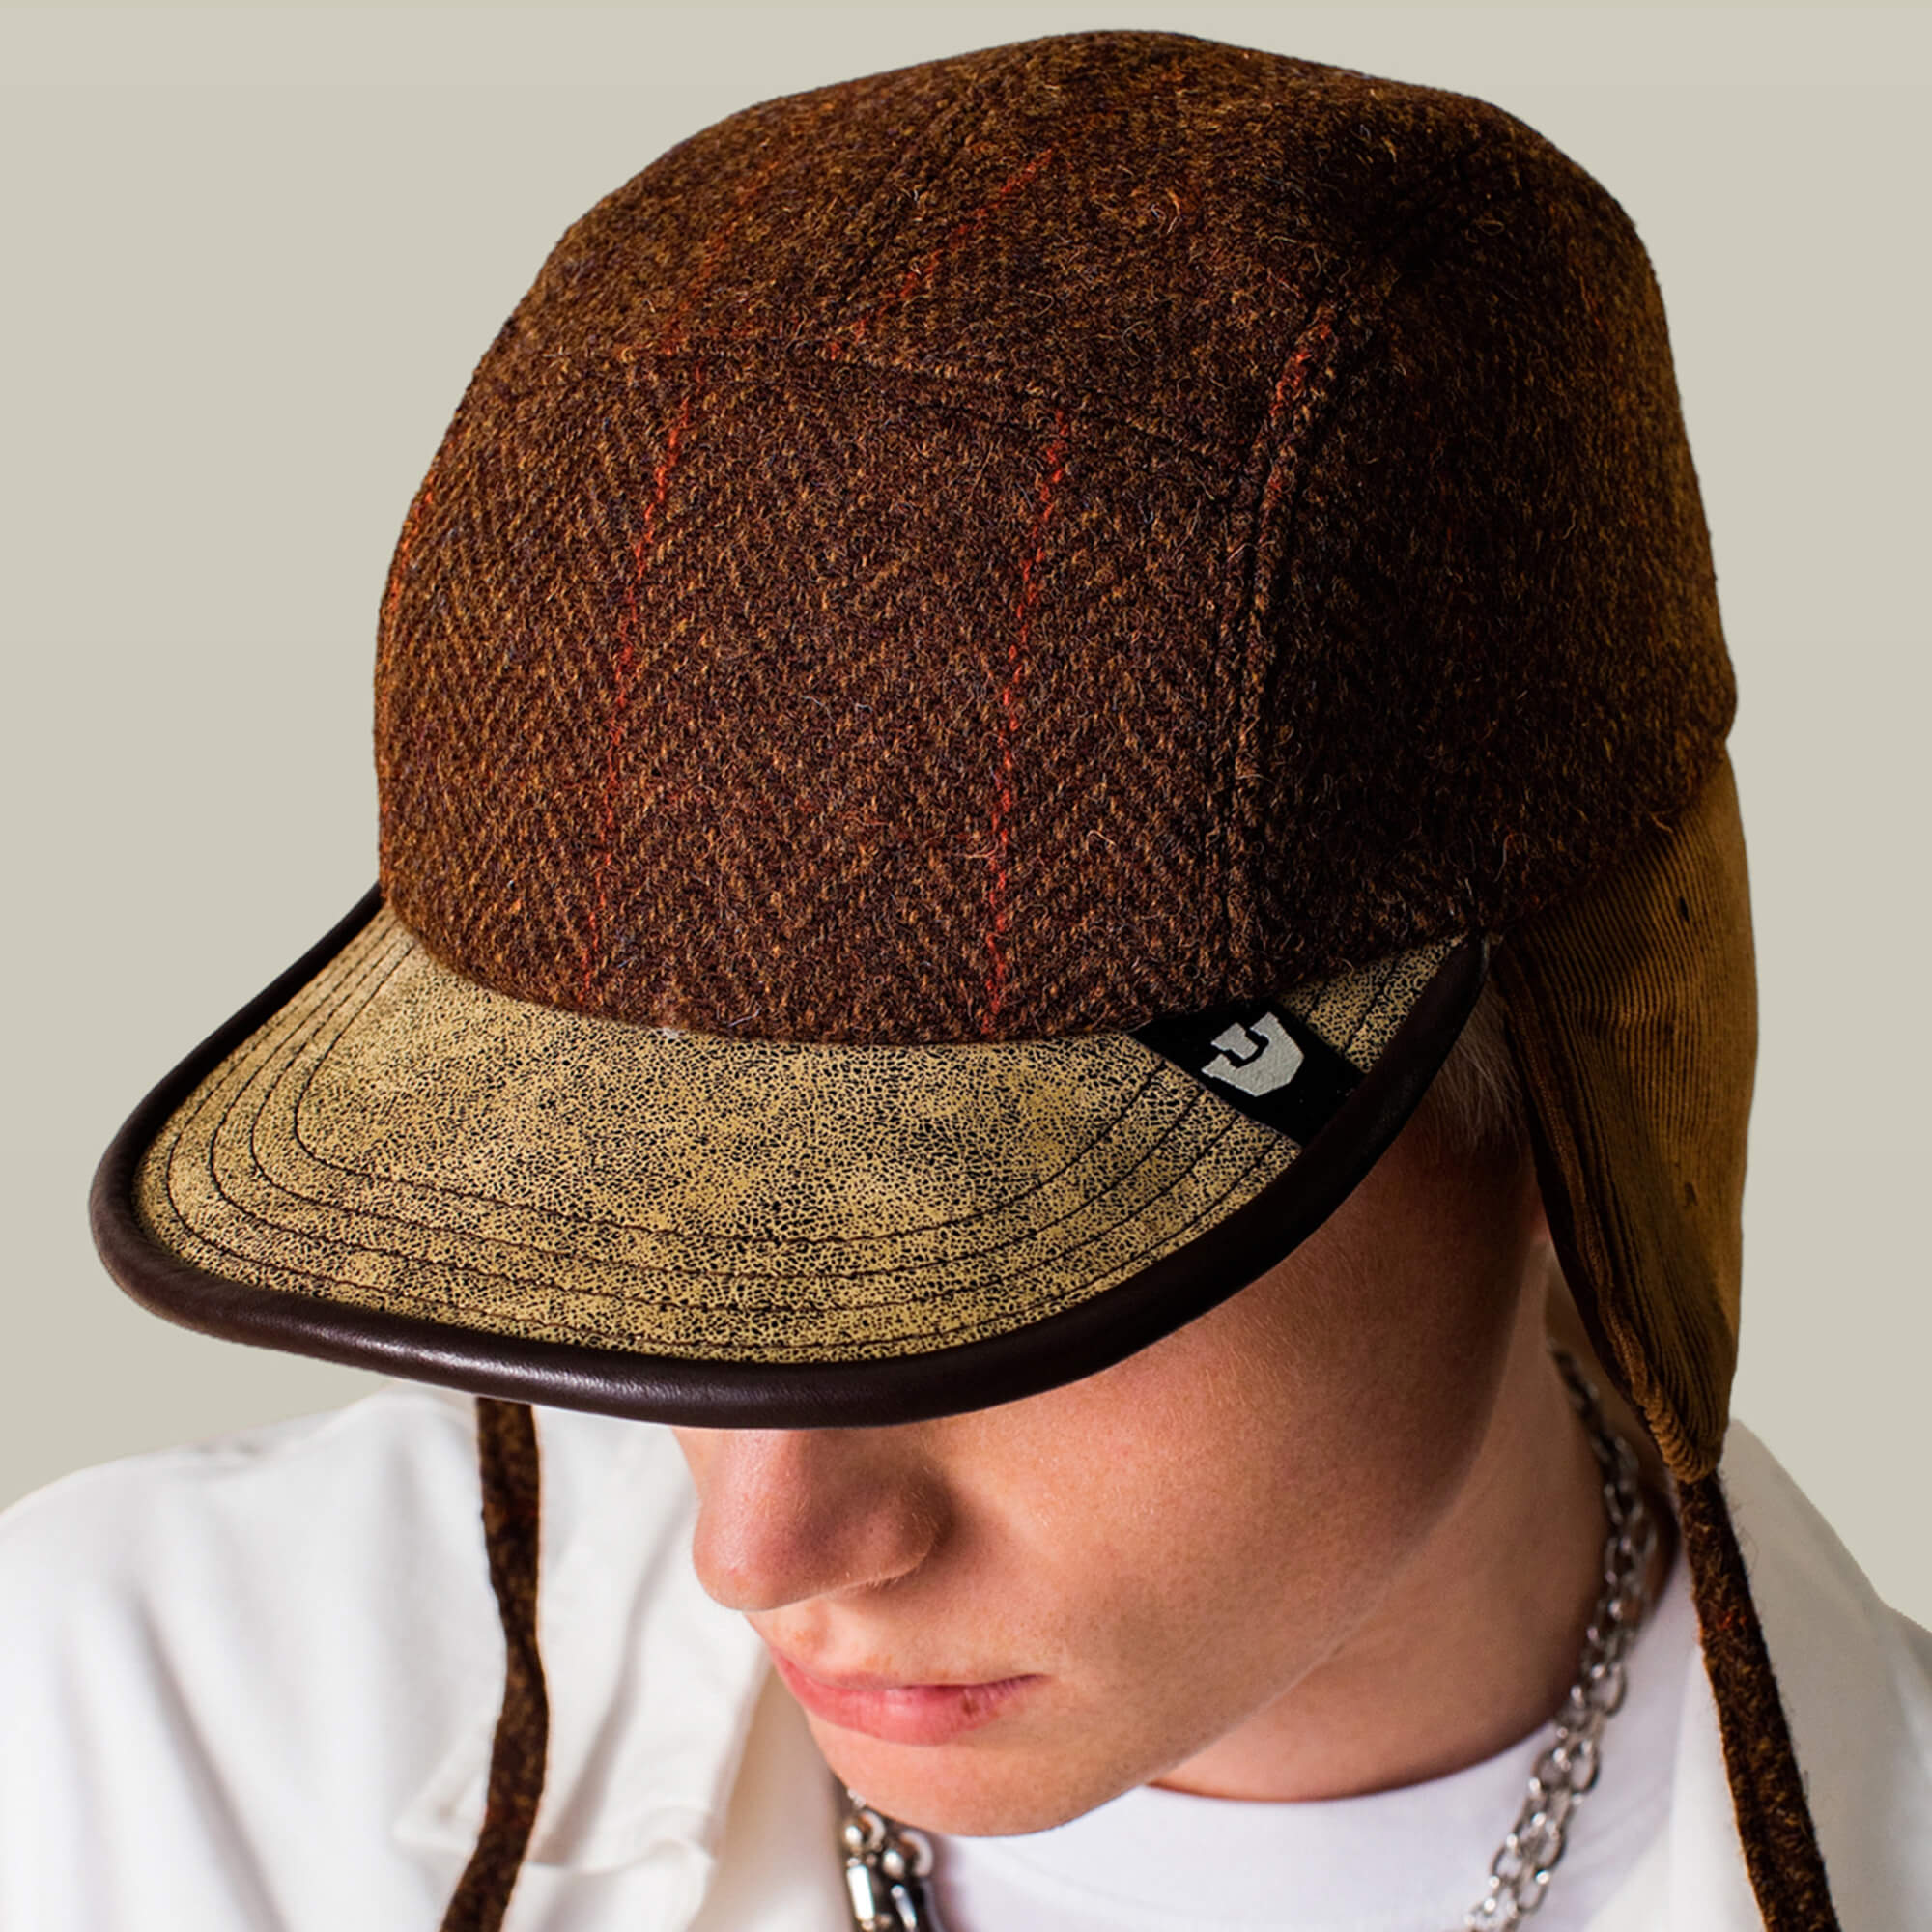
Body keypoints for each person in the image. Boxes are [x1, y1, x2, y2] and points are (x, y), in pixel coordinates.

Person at [4, 27, 1927, 1932]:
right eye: (642, 1221)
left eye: (1009, 1278)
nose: (761, 1548)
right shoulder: (140, 1734)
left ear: (1567, 1087)